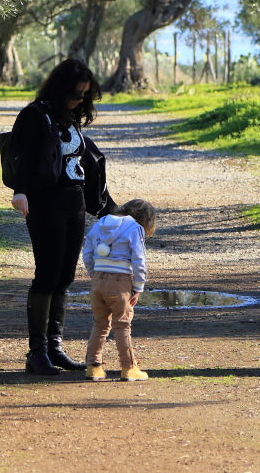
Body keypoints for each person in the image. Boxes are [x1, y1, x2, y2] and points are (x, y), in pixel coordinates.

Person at [8, 58, 114, 376]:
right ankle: (36, 352)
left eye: (84, 95)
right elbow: (22, 158)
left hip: (74, 203)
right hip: (45, 203)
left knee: (65, 276)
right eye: (75, 94)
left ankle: (55, 347)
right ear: (59, 89)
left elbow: (86, 161)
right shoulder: (34, 115)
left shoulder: (69, 118)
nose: (79, 100)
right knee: (47, 274)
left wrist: (107, 206)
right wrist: (20, 191)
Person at [81, 199, 156, 381]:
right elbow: (139, 260)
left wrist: (95, 274)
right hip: (120, 282)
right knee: (122, 325)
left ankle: (93, 367)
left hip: (98, 279)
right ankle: (129, 368)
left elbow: (87, 252)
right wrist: (138, 287)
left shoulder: (101, 223)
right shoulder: (135, 228)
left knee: (100, 324)